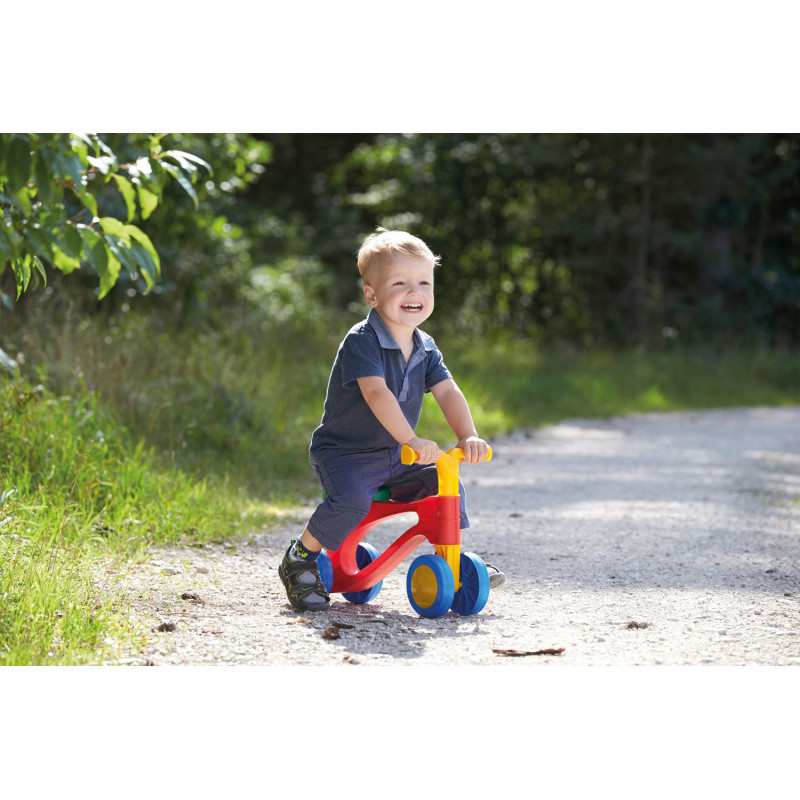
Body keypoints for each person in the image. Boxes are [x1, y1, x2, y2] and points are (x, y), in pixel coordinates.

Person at [278, 228, 504, 611]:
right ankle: (300, 557)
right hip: (347, 453)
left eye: (423, 282)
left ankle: (451, 560)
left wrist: (467, 435)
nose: (414, 292)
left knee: (444, 483)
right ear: (372, 294)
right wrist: (411, 440)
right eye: (400, 283)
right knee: (349, 502)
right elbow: (376, 394)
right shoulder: (362, 340)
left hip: (397, 456)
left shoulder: (425, 345)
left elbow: (448, 391)